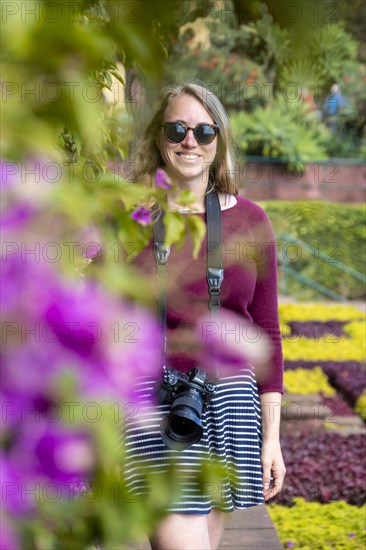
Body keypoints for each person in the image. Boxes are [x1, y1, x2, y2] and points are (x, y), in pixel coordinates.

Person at [122, 81, 286, 550]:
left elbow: (267, 332)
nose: (189, 141)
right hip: (151, 402)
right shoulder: (129, 219)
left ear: (219, 142)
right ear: (158, 138)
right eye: (177, 129)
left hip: (229, 402)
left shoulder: (251, 220)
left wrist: (270, 439)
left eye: (204, 131)